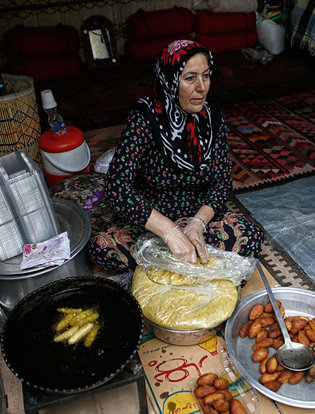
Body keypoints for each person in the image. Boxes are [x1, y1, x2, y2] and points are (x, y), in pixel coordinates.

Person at [88, 40, 264, 271]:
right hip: (151, 220)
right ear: (169, 80)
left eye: (206, 75)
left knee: (251, 237)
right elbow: (117, 188)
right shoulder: (144, 119)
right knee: (102, 249)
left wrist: (197, 224)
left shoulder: (213, 119)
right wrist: (169, 231)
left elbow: (222, 182)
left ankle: (169, 258)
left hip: (197, 216)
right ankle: (181, 256)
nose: (202, 87)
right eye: (190, 78)